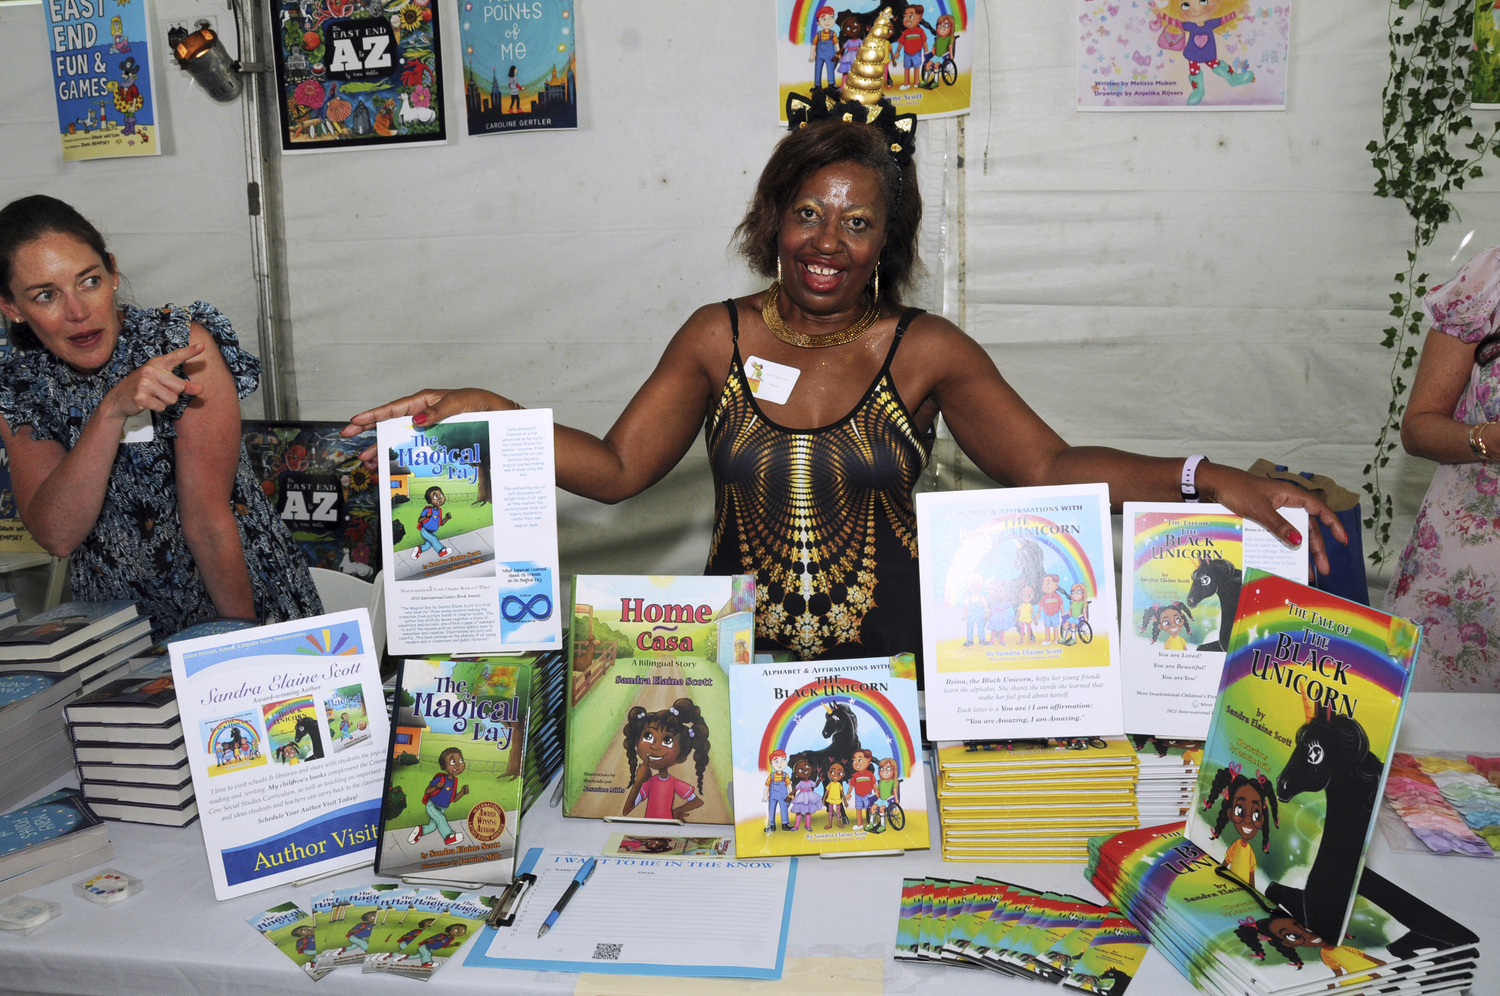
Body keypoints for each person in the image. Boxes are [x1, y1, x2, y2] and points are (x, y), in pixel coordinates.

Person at [344, 42, 1340, 666]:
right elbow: (612, 472)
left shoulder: (925, 351)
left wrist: (1201, 476)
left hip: (902, 662)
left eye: (857, 223)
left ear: (884, 242)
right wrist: (482, 407)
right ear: (773, 219)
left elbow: (1046, 466)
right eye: (810, 214)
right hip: (734, 661)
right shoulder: (716, 337)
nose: (829, 241)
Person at [0, 196, 322, 640]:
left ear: (113, 273)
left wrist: (244, 647)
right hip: (118, 626)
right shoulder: (23, 385)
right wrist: (110, 412)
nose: (77, 313)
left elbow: (208, 523)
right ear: (12, 307)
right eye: (46, 295)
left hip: (235, 601)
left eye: (89, 281)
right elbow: (57, 535)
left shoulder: (178, 348)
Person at [1384, 247, 1500, 691]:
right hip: (1461, 587)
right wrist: (1488, 438)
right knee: (1424, 746)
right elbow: (1418, 428)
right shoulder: (1489, 279)